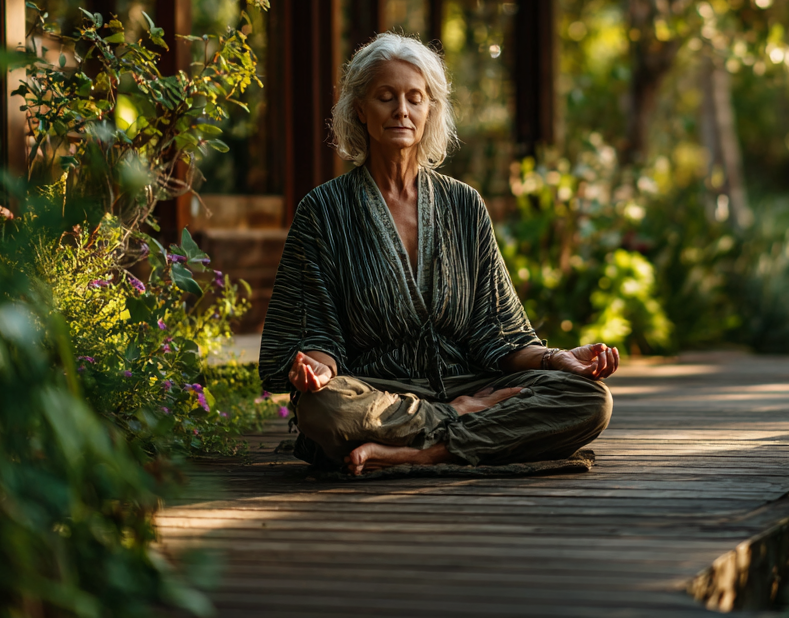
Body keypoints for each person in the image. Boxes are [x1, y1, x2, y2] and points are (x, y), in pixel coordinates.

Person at [258, 32, 618, 475]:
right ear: (359, 109)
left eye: (415, 97)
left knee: (588, 399)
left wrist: (555, 358)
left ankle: (422, 452)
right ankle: (462, 421)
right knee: (323, 411)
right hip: (379, 393)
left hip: (470, 380)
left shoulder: (465, 204)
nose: (401, 111)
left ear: (431, 110)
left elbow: (497, 332)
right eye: (385, 97)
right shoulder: (324, 210)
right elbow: (320, 335)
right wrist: (316, 370)